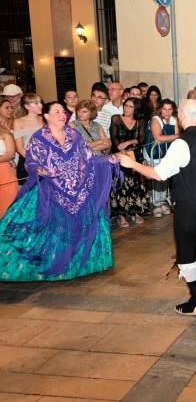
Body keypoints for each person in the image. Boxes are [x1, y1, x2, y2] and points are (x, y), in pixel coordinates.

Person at [117, 99, 196, 316]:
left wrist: (132, 164)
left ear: (182, 117)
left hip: (190, 204)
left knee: (187, 251)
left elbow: (159, 174)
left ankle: (195, 302)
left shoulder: (181, 143)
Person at [0, 101, 121, 282]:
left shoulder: (74, 135)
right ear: (46, 116)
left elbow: (87, 158)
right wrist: (38, 169)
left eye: (62, 112)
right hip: (51, 190)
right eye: (56, 112)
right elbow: (30, 161)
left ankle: (80, 265)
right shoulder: (39, 138)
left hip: (79, 191)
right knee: (44, 230)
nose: (61, 114)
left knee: (88, 224)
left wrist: (109, 160)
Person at [110, 97, 150, 228]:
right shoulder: (116, 119)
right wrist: (133, 141)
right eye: (125, 105)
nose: (126, 108)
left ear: (136, 109)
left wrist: (129, 142)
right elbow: (116, 143)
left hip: (135, 157)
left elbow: (142, 139)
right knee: (121, 186)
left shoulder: (140, 121)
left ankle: (135, 212)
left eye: (130, 106)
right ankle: (121, 215)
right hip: (120, 157)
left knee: (136, 186)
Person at [147, 99, 180, 217]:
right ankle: (156, 203)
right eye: (164, 109)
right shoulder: (156, 119)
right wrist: (177, 136)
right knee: (157, 176)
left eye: (170, 109)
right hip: (155, 152)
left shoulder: (174, 120)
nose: (167, 112)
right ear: (160, 109)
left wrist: (175, 136)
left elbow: (176, 135)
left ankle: (163, 201)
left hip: (167, 152)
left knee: (165, 176)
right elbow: (158, 138)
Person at [13, 93, 44, 181]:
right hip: (27, 161)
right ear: (27, 106)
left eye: (40, 102)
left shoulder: (44, 119)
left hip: (45, 160)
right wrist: (34, 161)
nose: (40, 105)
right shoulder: (18, 122)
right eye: (36, 103)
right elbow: (19, 148)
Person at [0, 98, 17, 218]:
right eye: (7, 107)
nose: (10, 110)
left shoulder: (14, 125)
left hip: (9, 167)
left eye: (11, 107)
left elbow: (11, 153)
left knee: (10, 205)